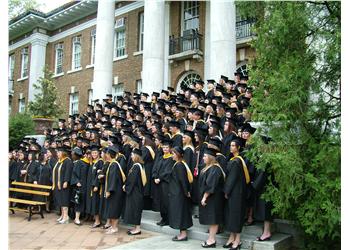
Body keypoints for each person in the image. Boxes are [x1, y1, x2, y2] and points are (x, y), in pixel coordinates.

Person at [223, 139, 250, 249]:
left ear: (238, 148)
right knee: (231, 215)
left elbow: (232, 179)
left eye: (233, 146)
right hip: (234, 192)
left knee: (236, 215)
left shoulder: (237, 161)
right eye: (230, 145)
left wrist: (226, 191)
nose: (231, 147)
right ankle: (231, 237)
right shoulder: (233, 159)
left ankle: (237, 240)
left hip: (236, 193)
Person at [199, 148, 226, 248]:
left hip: (214, 198)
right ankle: (211, 239)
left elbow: (211, 185)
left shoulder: (215, 168)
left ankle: (212, 240)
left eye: (205, 156)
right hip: (212, 198)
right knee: (212, 219)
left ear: (210, 157)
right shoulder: (209, 167)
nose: (203, 158)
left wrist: (204, 197)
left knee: (213, 219)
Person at [168, 146, 193, 241]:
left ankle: (183, 235)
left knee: (181, 214)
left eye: (173, 153)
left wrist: (186, 192)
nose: (172, 155)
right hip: (177, 193)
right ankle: (182, 233)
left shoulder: (179, 165)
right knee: (179, 213)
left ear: (178, 154)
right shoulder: (178, 164)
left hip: (180, 195)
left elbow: (183, 181)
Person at [123, 148, 147, 235]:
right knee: (134, 209)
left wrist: (126, 187)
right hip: (136, 191)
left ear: (136, 156)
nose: (131, 156)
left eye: (132, 155)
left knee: (136, 210)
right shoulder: (138, 165)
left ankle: (138, 229)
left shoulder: (137, 166)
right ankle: (135, 227)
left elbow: (132, 180)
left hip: (135, 192)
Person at [104, 145, 126, 234]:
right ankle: (112, 226)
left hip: (115, 192)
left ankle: (114, 227)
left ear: (109, 154)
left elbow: (113, 179)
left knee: (114, 209)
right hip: (115, 191)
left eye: (106, 153)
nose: (105, 155)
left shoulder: (114, 165)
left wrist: (109, 190)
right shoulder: (113, 163)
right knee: (112, 209)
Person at [155, 138, 175, 226]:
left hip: (165, 183)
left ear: (170, 148)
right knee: (161, 201)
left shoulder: (171, 159)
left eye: (167, 148)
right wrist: (155, 177)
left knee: (166, 201)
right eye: (164, 148)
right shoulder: (160, 157)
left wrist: (160, 178)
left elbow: (168, 171)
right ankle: (163, 218)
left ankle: (167, 219)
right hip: (158, 182)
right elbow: (155, 168)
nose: (165, 149)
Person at [52, 145, 73, 224]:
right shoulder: (59, 161)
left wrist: (66, 181)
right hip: (58, 184)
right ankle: (62, 215)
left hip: (64, 184)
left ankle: (66, 216)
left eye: (59, 152)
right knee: (60, 200)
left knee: (64, 200)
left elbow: (68, 172)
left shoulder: (68, 161)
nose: (57, 153)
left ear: (63, 153)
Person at [86, 145, 104, 228]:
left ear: (99, 153)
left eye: (95, 153)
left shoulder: (100, 162)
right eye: (92, 153)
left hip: (96, 187)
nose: (94, 154)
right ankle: (96, 219)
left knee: (95, 203)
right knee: (93, 203)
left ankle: (97, 221)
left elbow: (99, 175)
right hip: (91, 187)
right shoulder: (92, 163)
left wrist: (97, 185)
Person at [71, 147, 89, 226]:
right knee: (79, 201)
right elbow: (74, 173)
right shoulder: (79, 163)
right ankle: (76, 218)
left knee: (84, 201)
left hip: (87, 186)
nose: (88, 156)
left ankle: (84, 216)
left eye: (89, 155)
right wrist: (77, 181)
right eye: (87, 154)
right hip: (81, 185)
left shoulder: (88, 163)